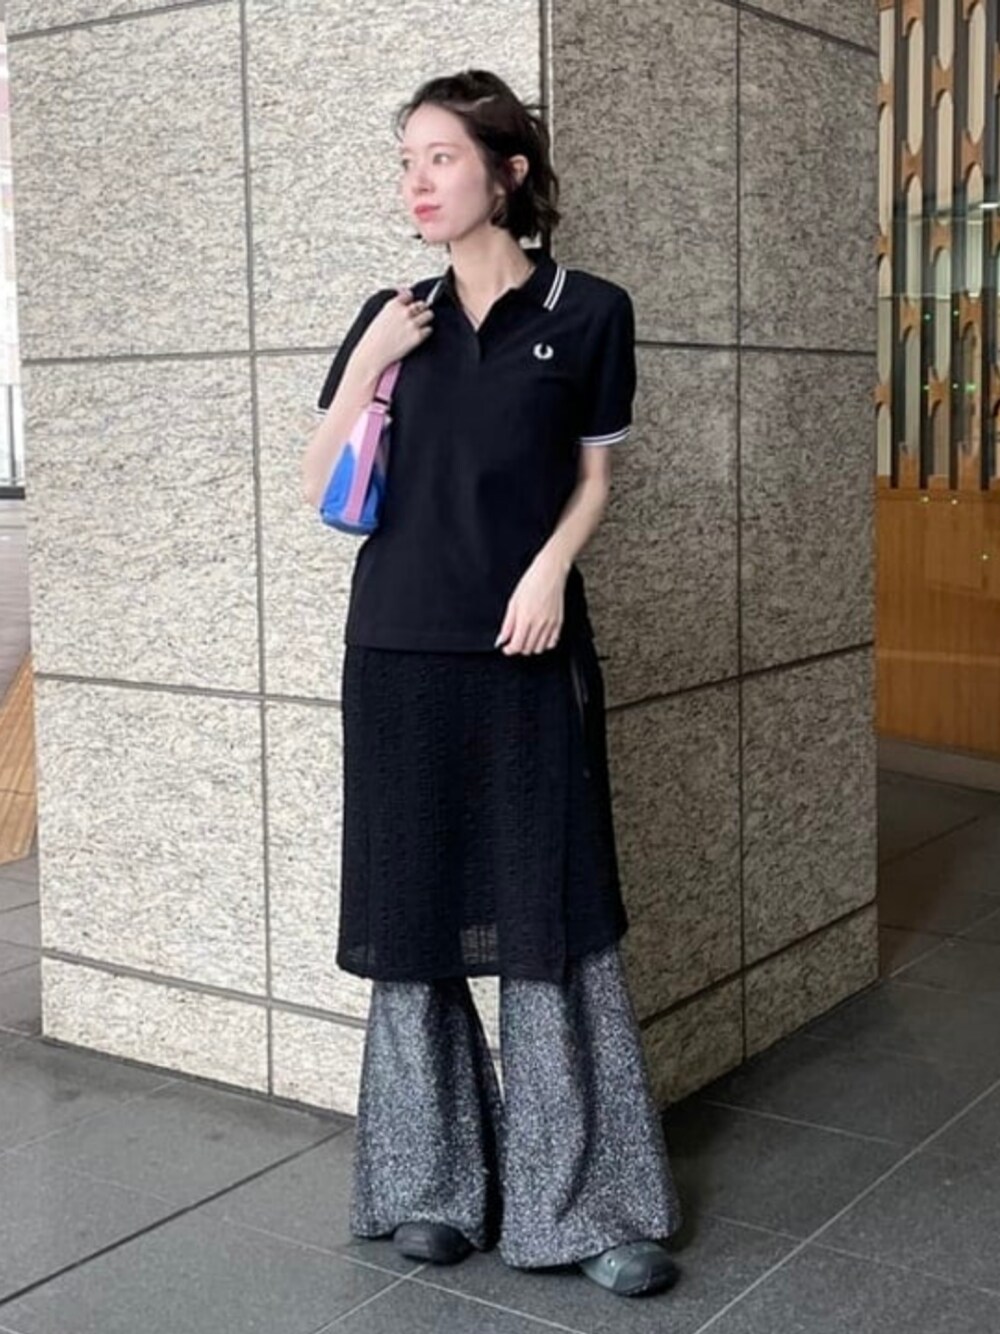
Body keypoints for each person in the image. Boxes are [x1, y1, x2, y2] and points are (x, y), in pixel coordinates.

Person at [301, 68, 683, 1299]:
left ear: (507, 173)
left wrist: (551, 570)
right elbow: (317, 480)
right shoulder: (392, 313)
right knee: (412, 915)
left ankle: (588, 1202)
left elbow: (594, 478)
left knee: (547, 916)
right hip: (396, 649)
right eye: (406, 161)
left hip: (525, 652)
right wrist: (370, 356)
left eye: (441, 158)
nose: (416, 183)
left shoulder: (590, 311)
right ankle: (431, 1185)